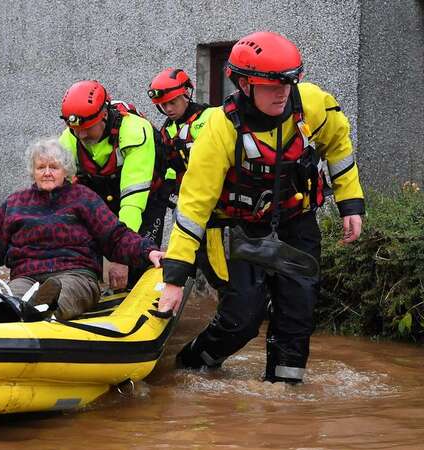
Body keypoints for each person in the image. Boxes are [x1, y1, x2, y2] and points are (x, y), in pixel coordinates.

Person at [156, 31, 365, 383]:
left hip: (296, 222)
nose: (282, 91)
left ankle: (284, 395)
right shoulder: (220, 129)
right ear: (244, 84)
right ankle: (191, 365)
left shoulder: (313, 105)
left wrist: (350, 203)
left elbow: (339, 147)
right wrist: (175, 278)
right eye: (271, 85)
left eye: (288, 82)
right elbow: (193, 207)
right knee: (242, 320)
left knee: (297, 314)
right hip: (241, 232)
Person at [0, 138, 163, 320]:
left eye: (53, 167)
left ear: (65, 171)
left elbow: (115, 236)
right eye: (41, 167)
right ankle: (13, 310)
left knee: (60, 292)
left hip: (75, 275)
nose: (47, 172)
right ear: (33, 171)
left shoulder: (83, 198)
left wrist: (148, 251)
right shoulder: (15, 202)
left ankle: (43, 312)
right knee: (11, 299)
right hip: (26, 276)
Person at [58, 80, 158, 290]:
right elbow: (59, 195)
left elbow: (132, 203)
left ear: (103, 114)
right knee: (83, 242)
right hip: (103, 188)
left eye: (87, 128)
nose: (81, 135)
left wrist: (121, 258)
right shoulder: (70, 136)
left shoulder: (134, 132)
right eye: (75, 129)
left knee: (137, 255)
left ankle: (145, 292)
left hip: (147, 194)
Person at [145, 68, 214, 245]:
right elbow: (168, 168)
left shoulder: (210, 118)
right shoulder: (167, 130)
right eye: (163, 105)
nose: (168, 109)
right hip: (187, 203)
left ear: (186, 94)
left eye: (172, 102)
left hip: (215, 201)